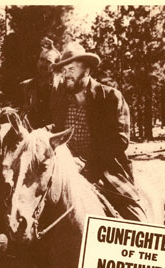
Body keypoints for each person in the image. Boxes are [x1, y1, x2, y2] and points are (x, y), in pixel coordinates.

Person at [50, 42, 146, 221]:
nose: (66, 75)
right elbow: (55, 130)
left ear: (86, 70)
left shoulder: (109, 97)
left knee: (136, 216)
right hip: (65, 170)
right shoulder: (60, 100)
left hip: (104, 169)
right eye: (64, 70)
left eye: (71, 69)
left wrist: (86, 163)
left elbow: (119, 140)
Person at [19, 37, 61, 130]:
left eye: (48, 62)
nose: (43, 64)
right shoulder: (26, 86)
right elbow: (22, 116)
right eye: (41, 59)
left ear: (54, 66)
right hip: (31, 137)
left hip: (53, 137)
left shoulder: (60, 87)